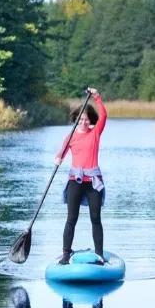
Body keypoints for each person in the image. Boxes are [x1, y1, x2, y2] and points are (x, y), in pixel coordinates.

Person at [55, 87, 108, 266]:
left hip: (93, 181)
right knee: (71, 219)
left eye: (86, 119)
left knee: (95, 218)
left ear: (90, 120)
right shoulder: (70, 137)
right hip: (75, 181)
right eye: (81, 119)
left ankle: (99, 255)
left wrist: (96, 97)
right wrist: (58, 158)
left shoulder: (95, 133)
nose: (84, 122)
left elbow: (104, 116)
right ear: (76, 120)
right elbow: (61, 153)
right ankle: (65, 254)